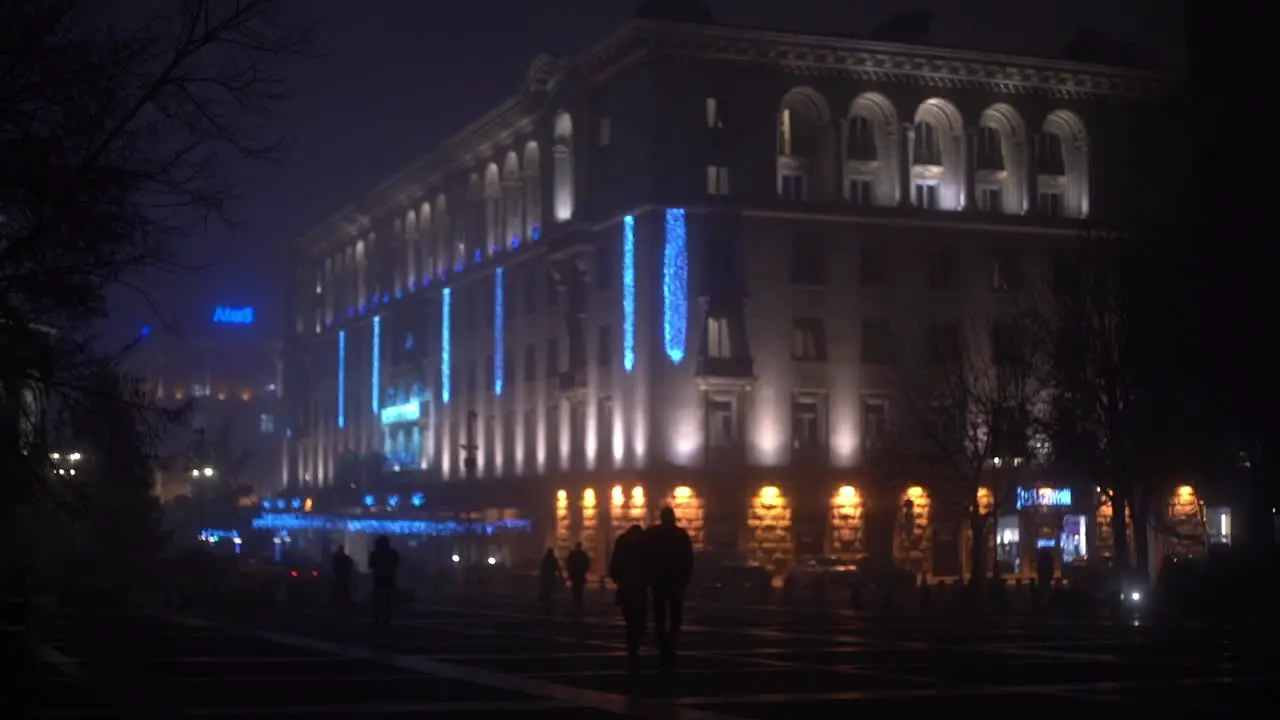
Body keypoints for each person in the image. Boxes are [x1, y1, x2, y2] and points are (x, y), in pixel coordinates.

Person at [645, 506, 694, 667]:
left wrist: (648, 577)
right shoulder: (680, 535)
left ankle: (662, 642)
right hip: (675, 581)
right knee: (675, 615)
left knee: (660, 615)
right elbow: (688, 559)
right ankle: (670, 640)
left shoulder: (652, 534)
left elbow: (645, 556)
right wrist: (685, 578)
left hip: (659, 580)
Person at [610, 525, 648, 672]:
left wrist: (615, 575)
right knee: (639, 616)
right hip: (639, 586)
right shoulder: (644, 544)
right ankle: (635, 641)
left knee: (629, 617)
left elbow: (615, 561)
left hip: (626, 585)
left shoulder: (623, 542)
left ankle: (632, 644)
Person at [368, 535, 400, 628]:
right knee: (387, 598)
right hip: (389, 577)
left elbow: (371, 564)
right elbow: (397, 564)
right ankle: (386, 617)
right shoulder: (392, 553)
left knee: (378, 597)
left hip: (379, 577)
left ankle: (377, 616)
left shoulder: (375, 553)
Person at [565, 542, 590, 614]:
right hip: (580, 575)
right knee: (580, 590)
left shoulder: (572, 554)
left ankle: (576, 602)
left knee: (575, 590)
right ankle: (579, 603)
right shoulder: (583, 555)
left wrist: (569, 572)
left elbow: (568, 563)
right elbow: (587, 563)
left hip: (574, 575)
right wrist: (584, 571)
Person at [538, 548, 564, 612]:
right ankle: (549, 603)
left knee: (546, 589)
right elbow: (557, 568)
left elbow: (542, 568)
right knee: (550, 590)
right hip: (551, 576)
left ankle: (546, 604)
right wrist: (561, 576)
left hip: (546, 576)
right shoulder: (553, 559)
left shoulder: (545, 559)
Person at [330, 545, 354, 611]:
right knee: (343, 591)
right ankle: (343, 605)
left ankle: (338, 605)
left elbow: (334, 566)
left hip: (339, 577)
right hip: (343, 577)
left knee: (339, 591)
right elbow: (350, 564)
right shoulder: (346, 558)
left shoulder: (336, 558)